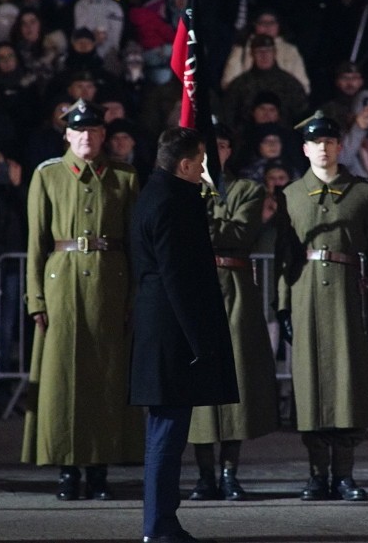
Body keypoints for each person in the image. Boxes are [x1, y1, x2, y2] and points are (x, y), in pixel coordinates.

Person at [21, 98, 144, 500]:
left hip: (110, 282)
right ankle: (67, 468)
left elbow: (136, 244)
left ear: (104, 135)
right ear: (67, 135)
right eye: (79, 130)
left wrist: (135, 295)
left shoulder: (124, 177)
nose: (86, 137)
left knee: (106, 378)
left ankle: (100, 467)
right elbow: (36, 243)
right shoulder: (49, 175)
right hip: (62, 283)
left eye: (94, 130)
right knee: (63, 379)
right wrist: (35, 298)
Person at [274, 111, 368, 502]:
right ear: (305, 148)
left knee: (347, 384)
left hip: (346, 296)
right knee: (310, 386)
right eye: (315, 143)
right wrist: (283, 307)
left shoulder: (364, 192)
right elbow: (285, 258)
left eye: (330, 142)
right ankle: (315, 474)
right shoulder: (290, 195)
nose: (323, 149)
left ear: (340, 147)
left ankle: (343, 474)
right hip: (305, 292)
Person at [129, 126, 239, 543]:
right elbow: (177, 276)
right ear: (186, 163)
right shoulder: (173, 202)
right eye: (201, 163)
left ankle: (162, 521)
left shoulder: (155, 194)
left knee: (166, 431)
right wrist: (199, 341)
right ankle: (158, 525)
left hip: (163, 330)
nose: (204, 171)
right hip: (173, 334)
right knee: (167, 434)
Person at [186, 127, 278, 502]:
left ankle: (229, 472)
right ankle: (205, 473)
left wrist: (201, 225)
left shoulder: (248, 190)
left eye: (222, 145)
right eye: (209, 146)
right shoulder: (187, 190)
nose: (216, 151)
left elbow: (241, 232)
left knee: (236, 378)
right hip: (197, 287)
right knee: (199, 382)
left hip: (236, 287)